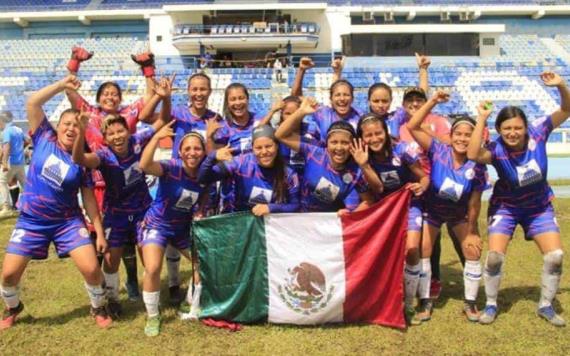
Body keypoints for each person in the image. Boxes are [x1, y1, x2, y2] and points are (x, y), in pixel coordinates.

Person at [0, 75, 112, 330]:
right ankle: (13, 307)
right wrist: (62, 85)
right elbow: (33, 103)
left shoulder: (82, 158)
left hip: (67, 222)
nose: (71, 129)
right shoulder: (43, 137)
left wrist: (99, 230)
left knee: (92, 269)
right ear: (57, 125)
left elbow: (88, 197)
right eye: (67, 124)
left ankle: (98, 306)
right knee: (8, 275)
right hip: (32, 220)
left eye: (76, 125)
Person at [467, 71, 570, 327]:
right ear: (499, 130)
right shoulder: (496, 150)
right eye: (506, 129)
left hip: (539, 207)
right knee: (494, 257)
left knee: (555, 256)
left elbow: (567, 109)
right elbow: (471, 153)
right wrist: (481, 118)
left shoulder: (539, 133)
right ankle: (491, 305)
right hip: (507, 207)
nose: (512, 133)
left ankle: (545, 306)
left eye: (517, 128)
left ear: (526, 128)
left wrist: (561, 86)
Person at [71, 76, 173, 318]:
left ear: (128, 132)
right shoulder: (103, 155)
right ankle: (114, 298)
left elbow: (161, 122)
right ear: (105, 139)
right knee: (111, 260)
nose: (117, 136)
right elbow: (80, 160)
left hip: (143, 212)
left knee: (149, 259)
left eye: (120, 131)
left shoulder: (138, 141)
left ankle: (151, 299)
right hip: (115, 214)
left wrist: (164, 97)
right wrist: (81, 133)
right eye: (112, 133)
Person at [64, 46, 157, 301]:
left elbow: (150, 96)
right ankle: (103, 285)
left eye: (114, 93)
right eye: (105, 93)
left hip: (126, 183)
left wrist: (147, 68)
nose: (110, 97)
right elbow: (70, 90)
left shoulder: (127, 117)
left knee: (130, 236)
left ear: (119, 98)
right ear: (98, 98)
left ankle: (133, 282)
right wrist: (75, 63)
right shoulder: (90, 114)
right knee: (103, 237)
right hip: (97, 184)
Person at [407, 91, 490, 323]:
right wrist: (432, 101)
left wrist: (473, 230)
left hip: (458, 215)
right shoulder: (438, 149)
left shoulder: (478, 166)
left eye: (468, 135)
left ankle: (470, 303)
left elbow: (474, 202)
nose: (463, 139)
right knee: (422, 250)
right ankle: (424, 301)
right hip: (431, 211)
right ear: (451, 135)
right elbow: (413, 126)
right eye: (459, 134)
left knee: (472, 250)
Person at [350, 113, 430, 325]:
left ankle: (409, 303)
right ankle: (383, 298)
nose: (374, 138)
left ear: (386, 133)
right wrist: (365, 165)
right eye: (369, 135)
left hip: (409, 204)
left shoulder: (402, 151)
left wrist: (421, 186)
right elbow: (378, 188)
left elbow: (423, 176)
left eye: (378, 133)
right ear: (361, 137)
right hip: (384, 212)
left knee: (412, 250)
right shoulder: (361, 157)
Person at [138, 123, 208, 336]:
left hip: (181, 229)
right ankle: (153, 316)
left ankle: (190, 302)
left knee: (202, 264)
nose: (192, 153)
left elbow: (203, 198)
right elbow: (145, 164)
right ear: (180, 151)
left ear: (204, 151)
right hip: (157, 225)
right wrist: (156, 137)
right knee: (152, 269)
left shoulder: (205, 175)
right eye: (187, 148)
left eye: (197, 148)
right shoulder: (171, 167)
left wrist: (201, 210)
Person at [276, 97, 374, 214]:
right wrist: (301, 112)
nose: (339, 148)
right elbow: (280, 135)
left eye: (345, 143)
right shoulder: (314, 152)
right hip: (303, 217)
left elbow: (368, 201)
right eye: (334, 142)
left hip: (329, 223)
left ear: (352, 145)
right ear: (327, 144)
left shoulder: (356, 171)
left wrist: (351, 215)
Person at [198, 124, 300, 214]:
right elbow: (203, 178)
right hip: (237, 221)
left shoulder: (288, 173)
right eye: (258, 148)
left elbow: (295, 205)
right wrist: (212, 156)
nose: (264, 152)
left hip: (267, 226)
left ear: (277, 146)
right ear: (252, 148)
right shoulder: (240, 163)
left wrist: (271, 208)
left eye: (268, 146)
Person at [290, 57, 361, 144]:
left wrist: (337, 73)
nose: (342, 99)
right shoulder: (323, 113)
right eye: (337, 95)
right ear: (331, 99)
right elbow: (296, 97)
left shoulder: (360, 116)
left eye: (346, 95)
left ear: (352, 98)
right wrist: (301, 70)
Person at [0, 111, 27, 217]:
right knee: (24, 184)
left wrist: (4, 162)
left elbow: (7, 146)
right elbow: (27, 140)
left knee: (1, 181)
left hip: (11, 161)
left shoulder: (7, 131)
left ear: (2, 121)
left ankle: (6, 207)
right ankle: (31, 205)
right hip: (20, 161)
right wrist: (20, 151)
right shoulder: (18, 129)